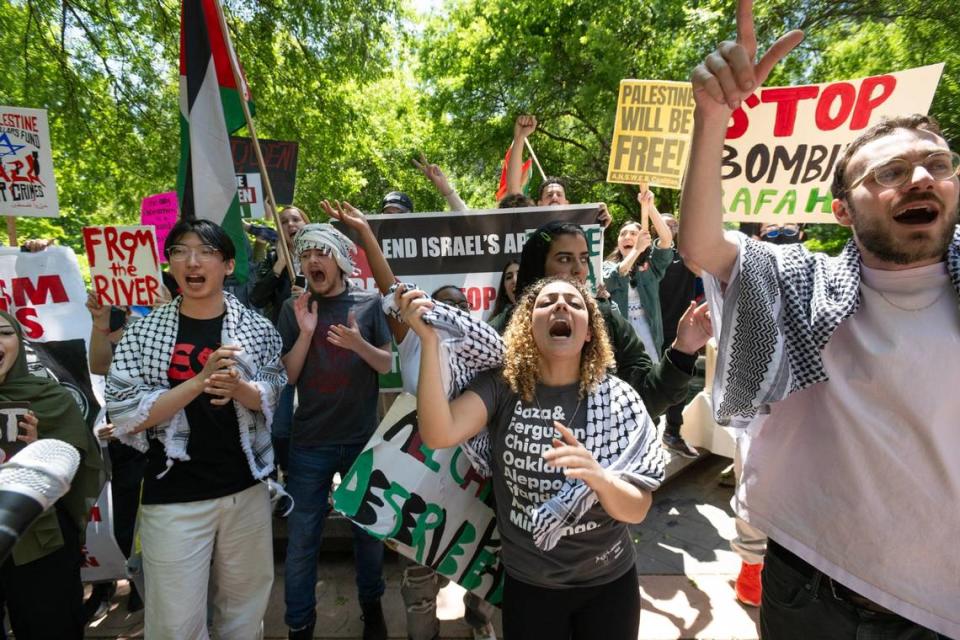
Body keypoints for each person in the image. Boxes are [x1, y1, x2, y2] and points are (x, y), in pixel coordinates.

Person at [680, 2, 958, 637]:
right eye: (890, 172)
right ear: (841, 211)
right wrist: (713, 119)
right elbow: (702, 247)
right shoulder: (803, 282)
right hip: (809, 588)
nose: (919, 177)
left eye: (937, 164)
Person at [402, 276, 663, 639]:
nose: (560, 306)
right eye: (546, 302)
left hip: (609, 583)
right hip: (531, 587)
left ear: (589, 331)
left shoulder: (619, 401)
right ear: (528, 326)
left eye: (574, 303)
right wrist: (429, 342)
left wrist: (599, 478)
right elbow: (438, 432)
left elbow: (637, 509)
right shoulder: (502, 387)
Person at [325, 201, 499, 640]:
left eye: (460, 306)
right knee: (418, 579)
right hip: (418, 479)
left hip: (475, 478)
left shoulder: (489, 358)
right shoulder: (414, 344)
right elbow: (391, 287)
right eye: (441, 306)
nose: (451, 312)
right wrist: (365, 233)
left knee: (482, 565)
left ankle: (479, 622)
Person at [106, 219, 284, 640]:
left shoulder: (257, 328)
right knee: (174, 625)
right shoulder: (143, 331)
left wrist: (243, 389)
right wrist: (198, 382)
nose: (192, 261)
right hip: (174, 497)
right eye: (180, 251)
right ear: (168, 264)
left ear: (227, 264)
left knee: (244, 614)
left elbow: (274, 393)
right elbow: (126, 411)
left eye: (205, 252)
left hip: (246, 489)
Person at [277, 222, 393, 640]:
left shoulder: (369, 303)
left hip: (363, 441)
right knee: (302, 541)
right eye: (305, 254)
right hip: (309, 444)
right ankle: (299, 626)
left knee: (368, 534)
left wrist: (357, 344)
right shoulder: (295, 308)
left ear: (340, 259)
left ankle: (372, 608)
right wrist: (307, 332)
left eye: (320, 253)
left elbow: (385, 365)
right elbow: (288, 377)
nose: (311, 261)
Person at [488, 220, 710, 421]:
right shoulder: (502, 330)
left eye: (584, 259)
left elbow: (647, 397)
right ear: (538, 265)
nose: (578, 269)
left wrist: (683, 350)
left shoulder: (606, 318)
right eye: (564, 259)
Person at [0, 311, 103, 639]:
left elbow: (80, 466)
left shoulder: (50, 398)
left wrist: (40, 451)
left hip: (41, 542)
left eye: (4, 332)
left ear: (19, 341)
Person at [249, 205, 310, 475]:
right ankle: (285, 472)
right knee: (281, 423)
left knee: (313, 421)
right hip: (280, 348)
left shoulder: (322, 255)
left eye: (296, 219)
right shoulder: (274, 257)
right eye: (284, 221)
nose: (290, 224)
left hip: (318, 346)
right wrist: (279, 267)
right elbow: (257, 298)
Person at [601, 190, 675, 364]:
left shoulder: (652, 265)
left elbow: (666, 240)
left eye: (633, 234)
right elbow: (614, 277)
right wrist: (636, 250)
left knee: (649, 375)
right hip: (621, 333)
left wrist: (650, 207)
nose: (627, 237)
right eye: (622, 234)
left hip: (648, 331)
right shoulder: (606, 266)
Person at [505, 115, 612, 228]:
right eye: (549, 195)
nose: (554, 197)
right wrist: (520, 136)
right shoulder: (529, 224)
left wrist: (600, 221)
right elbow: (513, 191)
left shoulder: (579, 230)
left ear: (567, 203)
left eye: (559, 194)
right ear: (539, 204)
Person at [655, 213, 702, 459]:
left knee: (680, 383)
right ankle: (646, 435)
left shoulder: (687, 256)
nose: (669, 227)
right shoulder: (647, 256)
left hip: (680, 328)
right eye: (664, 223)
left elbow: (702, 270)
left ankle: (673, 432)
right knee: (648, 381)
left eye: (674, 223)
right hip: (649, 329)